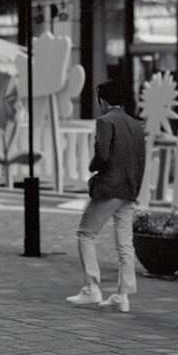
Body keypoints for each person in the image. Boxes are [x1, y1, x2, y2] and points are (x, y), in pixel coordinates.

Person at [66, 80, 146, 313]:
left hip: (110, 187)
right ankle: (123, 295)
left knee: (85, 233)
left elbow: (102, 155)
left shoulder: (105, 121)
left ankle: (92, 288)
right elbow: (140, 160)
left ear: (103, 100)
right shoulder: (136, 125)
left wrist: (92, 167)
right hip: (129, 190)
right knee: (125, 244)